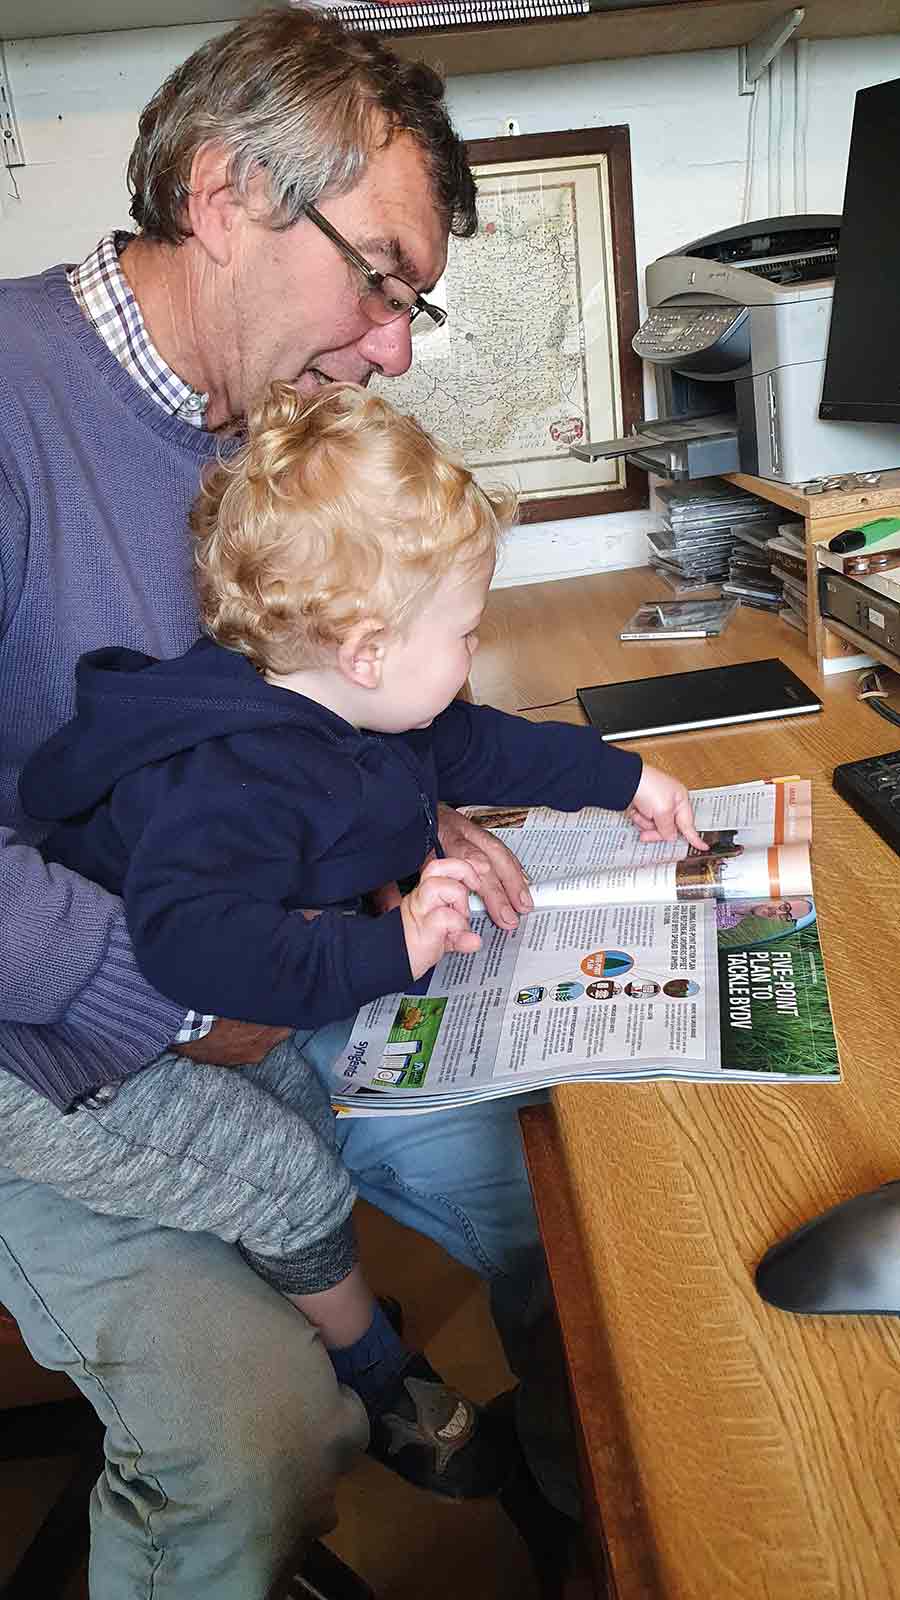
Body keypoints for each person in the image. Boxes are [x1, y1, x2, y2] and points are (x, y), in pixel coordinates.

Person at [0, 9, 704, 1596]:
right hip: (73, 1045)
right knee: (257, 1451)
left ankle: (599, 1521)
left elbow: (321, 714)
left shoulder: (278, 434)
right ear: (229, 192)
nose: (394, 344)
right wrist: (169, 1002)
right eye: (381, 277)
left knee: (569, 1204)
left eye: (414, 304)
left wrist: (402, 809)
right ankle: (365, 1411)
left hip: (304, 967)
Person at [20, 374, 705, 1498]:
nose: (476, 657)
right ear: (370, 648)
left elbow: (479, 745)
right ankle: (381, 1377)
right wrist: (389, 954)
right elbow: (186, 956)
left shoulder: (351, 707)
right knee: (295, 1180)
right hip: (73, 1068)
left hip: (183, 1019)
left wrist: (624, 778)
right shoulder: (239, 780)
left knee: (296, 1114)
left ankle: (335, 1314)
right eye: (467, 632)